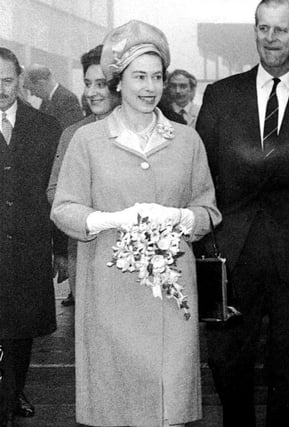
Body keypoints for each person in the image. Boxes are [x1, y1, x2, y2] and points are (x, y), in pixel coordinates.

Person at [50, 20, 220, 427]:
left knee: (168, 407)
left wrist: (180, 218)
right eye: (139, 76)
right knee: (117, 406)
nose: (150, 87)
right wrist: (108, 219)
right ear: (117, 82)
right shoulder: (87, 141)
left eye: (157, 77)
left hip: (171, 298)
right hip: (109, 297)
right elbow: (63, 208)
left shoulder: (186, 141)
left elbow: (208, 210)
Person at [196, 1, 289, 425]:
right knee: (227, 363)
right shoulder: (220, 95)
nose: (271, 38)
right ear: (255, 32)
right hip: (230, 254)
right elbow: (200, 174)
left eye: (281, 30)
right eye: (263, 28)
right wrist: (201, 243)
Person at [0, 47, 62, 426]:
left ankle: (14, 389)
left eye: (6, 81)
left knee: (21, 330)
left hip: (29, 246)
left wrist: (60, 251)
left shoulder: (46, 127)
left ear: (20, 80)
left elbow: (56, 192)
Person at [46, 44, 121, 307]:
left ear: (119, 85)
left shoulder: (141, 132)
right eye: (87, 83)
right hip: (85, 249)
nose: (91, 93)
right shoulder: (73, 134)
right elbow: (54, 190)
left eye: (101, 84)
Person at [23, 63, 84, 130]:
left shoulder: (67, 99)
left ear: (41, 84)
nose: (32, 94)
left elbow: (69, 132)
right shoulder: (46, 101)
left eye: (32, 89)